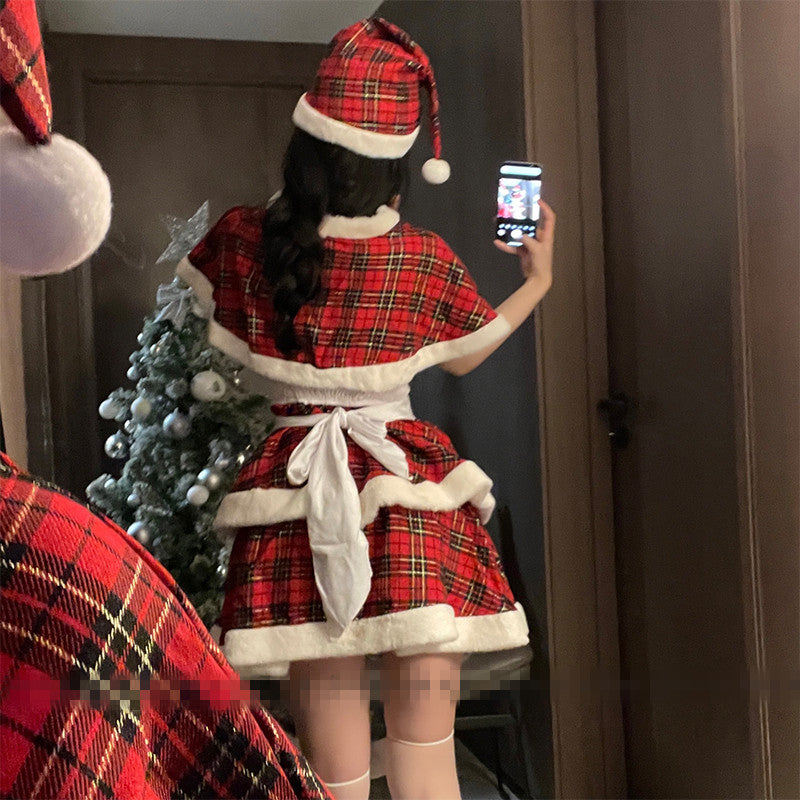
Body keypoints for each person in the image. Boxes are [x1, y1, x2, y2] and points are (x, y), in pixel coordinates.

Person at [176, 18, 555, 800]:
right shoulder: (419, 257)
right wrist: (538, 280)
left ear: (306, 145)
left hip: (295, 494)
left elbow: (220, 338)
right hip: (406, 495)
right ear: (396, 163)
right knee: (426, 753)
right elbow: (468, 353)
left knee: (333, 775)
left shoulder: (245, 239)